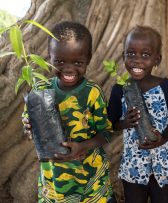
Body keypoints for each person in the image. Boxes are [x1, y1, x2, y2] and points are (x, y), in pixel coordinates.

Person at [22, 21, 116, 202]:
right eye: (59, 61)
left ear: (88, 58)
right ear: (49, 57)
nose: (69, 68)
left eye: (78, 62)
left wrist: (83, 146)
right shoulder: (40, 89)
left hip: (91, 182)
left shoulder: (92, 92)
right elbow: (28, 122)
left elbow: (106, 133)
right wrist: (28, 127)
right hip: (54, 182)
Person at [107, 25, 168, 203]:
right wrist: (124, 123)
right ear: (123, 57)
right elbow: (110, 123)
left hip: (163, 163)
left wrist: (163, 138)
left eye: (145, 55)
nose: (137, 60)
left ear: (157, 59)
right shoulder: (120, 90)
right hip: (133, 165)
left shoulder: (165, 86)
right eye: (131, 53)